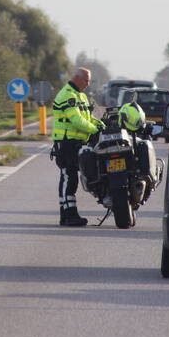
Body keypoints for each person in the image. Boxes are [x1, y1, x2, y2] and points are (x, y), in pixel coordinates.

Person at [51, 67, 104, 226]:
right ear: (77, 78)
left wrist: (102, 125)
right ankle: (69, 215)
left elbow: (87, 117)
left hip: (76, 142)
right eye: (86, 80)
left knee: (70, 178)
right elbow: (77, 121)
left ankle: (66, 215)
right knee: (69, 177)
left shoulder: (80, 96)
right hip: (66, 143)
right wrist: (94, 129)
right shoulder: (67, 95)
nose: (88, 84)